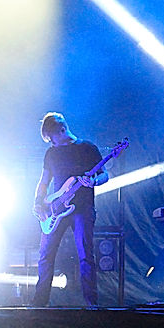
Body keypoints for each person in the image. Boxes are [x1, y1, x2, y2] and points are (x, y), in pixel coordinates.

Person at [31, 112, 106, 307]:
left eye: (52, 139)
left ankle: (92, 304)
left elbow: (104, 175)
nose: (51, 143)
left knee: (85, 255)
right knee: (46, 254)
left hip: (83, 208)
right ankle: (39, 303)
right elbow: (44, 181)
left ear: (61, 130)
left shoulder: (88, 148)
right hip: (55, 209)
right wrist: (39, 202)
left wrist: (93, 181)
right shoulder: (51, 153)